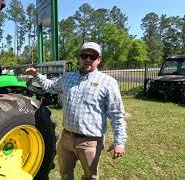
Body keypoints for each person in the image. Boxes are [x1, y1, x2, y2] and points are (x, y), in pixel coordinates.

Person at [25, 42, 127, 180]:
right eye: (85, 55)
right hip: (66, 139)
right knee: (65, 174)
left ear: (99, 59)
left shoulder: (108, 82)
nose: (88, 59)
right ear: (79, 58)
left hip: (91, 142)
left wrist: (119, 142)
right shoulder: (68, 78)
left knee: (90, 176)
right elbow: (50, 87)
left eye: (93, 56)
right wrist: (36, 74)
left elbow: (117, 114)